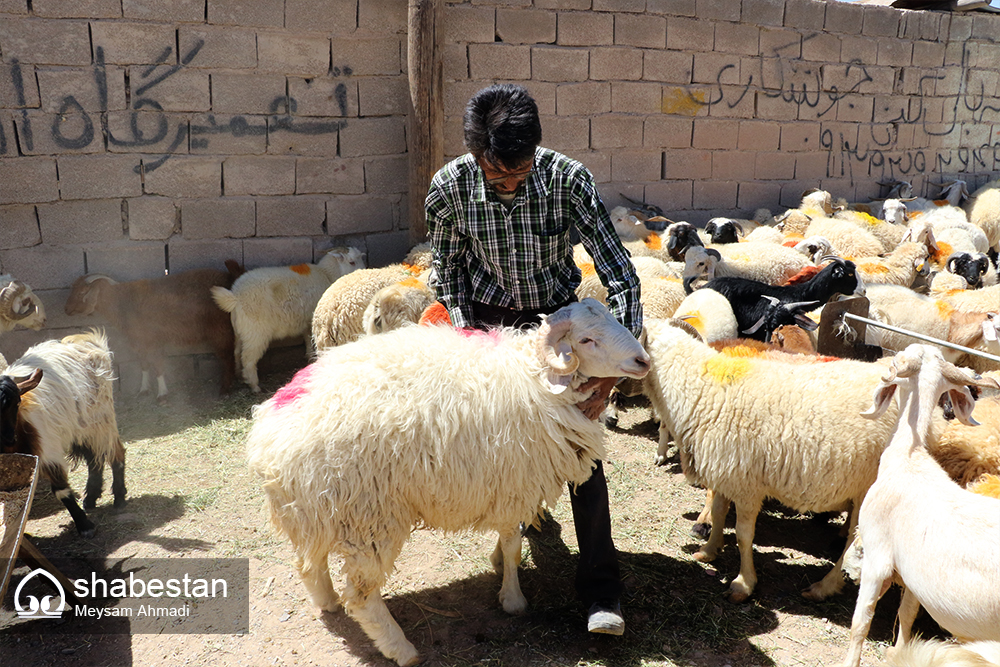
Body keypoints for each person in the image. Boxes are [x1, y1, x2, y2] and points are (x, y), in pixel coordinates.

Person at [424, 83, 643, 635]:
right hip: (491, 322)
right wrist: (471, 343)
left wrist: (609, 381)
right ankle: (508, 535)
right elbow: (448, 271)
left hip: (561, 322)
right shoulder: (448, 190)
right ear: (475, 156)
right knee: (498, 444)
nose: (513, 185)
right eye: (499, 177)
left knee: (580, 453)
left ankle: (601, 591)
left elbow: (620, 271)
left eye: (522, 173)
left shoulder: (568, 180)